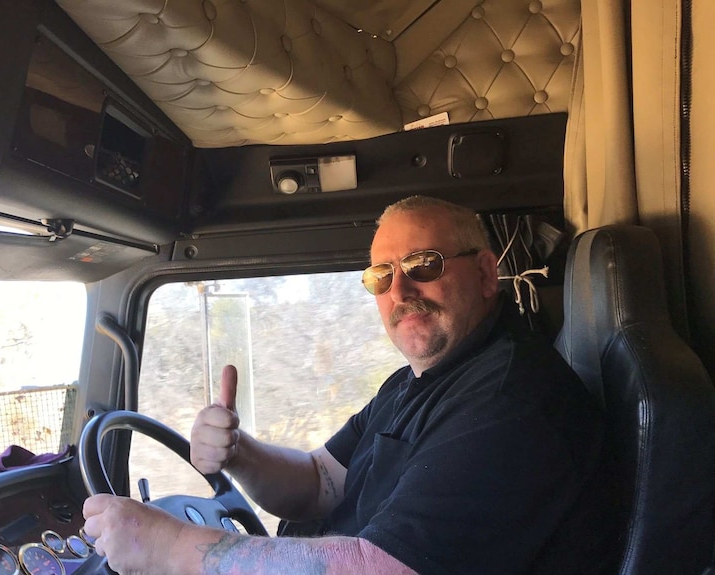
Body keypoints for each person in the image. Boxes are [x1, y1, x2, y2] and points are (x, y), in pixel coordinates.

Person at [82, 196, 618, 575]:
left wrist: (171, 545)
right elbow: (320, 482)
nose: (400, 288)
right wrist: (240, 454)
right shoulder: (414, 383)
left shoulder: (512, 402)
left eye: (422, 264)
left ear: (484, 274)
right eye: (380, 277)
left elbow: (383, 569)